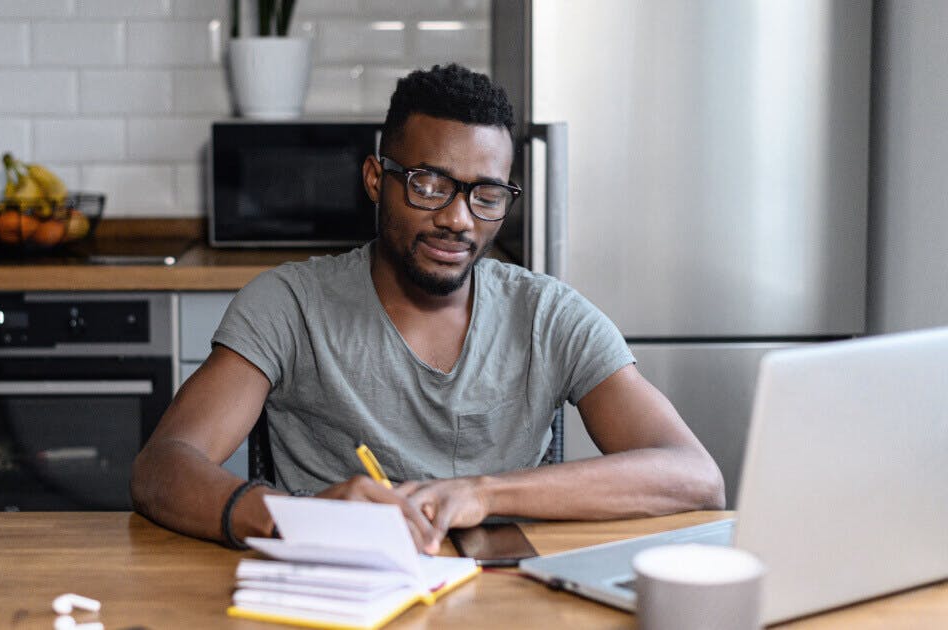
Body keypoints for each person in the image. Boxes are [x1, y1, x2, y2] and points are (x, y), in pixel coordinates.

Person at [131, 64, 724, 554]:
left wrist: (484, 493)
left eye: (485, 195)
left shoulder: (548, 315)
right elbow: (160, 468)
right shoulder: (288, 305)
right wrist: (289, 516)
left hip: (502, 603)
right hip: (335, 600)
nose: (458, 219)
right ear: (375, 178)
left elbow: (696, 478)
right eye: (429, 184)